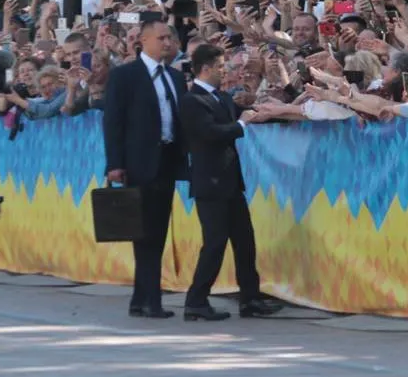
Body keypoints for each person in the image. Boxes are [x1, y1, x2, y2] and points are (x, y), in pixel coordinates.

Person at [178, 44, 282, 321]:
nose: (225, 72)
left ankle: (250, 299)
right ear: (206, 68)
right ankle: (196, 300)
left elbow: (238, 114)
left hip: (231, 182)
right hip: (210, 183)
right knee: (214, 243)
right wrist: (242, 125)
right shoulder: (192, 100)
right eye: (221, 67)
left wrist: (253, 109)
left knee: (244, 241)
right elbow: (208, 133)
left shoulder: (222, 97)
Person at [102, 20, 187, 319]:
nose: (167, 42)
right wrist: (114, 164)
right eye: (161, 37)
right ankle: (151, 299)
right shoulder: (126, 76)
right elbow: (113, 122)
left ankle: (140, 298)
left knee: (157, 230)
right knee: (145, 233)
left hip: (166, 161)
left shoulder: (175, 79)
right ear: (143, 40)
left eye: (170, 37)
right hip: (138, 164)